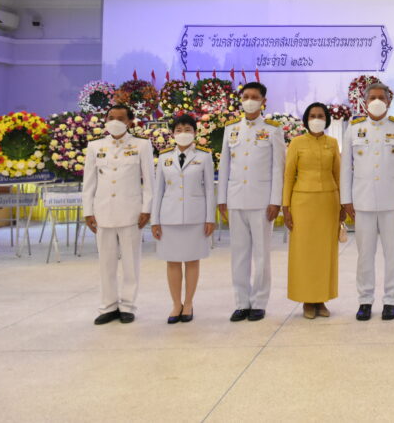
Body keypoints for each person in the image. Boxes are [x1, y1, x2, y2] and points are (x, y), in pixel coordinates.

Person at [341, 83, 394, 321]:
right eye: (372, 97)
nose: (376, 101)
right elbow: (346, 168)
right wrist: (346, 199)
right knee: (365, 255)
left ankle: (391, 300)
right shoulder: (354, 128)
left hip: (392, 202)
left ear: (388, 102)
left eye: (381, 97)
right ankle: (365, 300)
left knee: (392, 254)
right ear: (364, 102)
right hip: (362, 202)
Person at [217, 81, 285, 323]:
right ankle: (241, 302)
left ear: (263, 101)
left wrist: (275, 201)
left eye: (254, 97)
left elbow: (278, 168)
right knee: (239, 254)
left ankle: (259, 303)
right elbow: (224, 165)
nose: (249, 101)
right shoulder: (231, 129)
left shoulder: (273, 130)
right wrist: (222, 198)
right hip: (236, 199)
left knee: (261, 254)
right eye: (245, 96)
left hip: (262, 201)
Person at [82, 104, 153, 325]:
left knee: (131, 262)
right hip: (103, 211)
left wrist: (146, 208)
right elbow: (89, 182)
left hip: (131, 212)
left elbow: (149, 181)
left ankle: (128, 306)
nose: (114, 121)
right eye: (110, 117)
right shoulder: (95, 146)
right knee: (106, 263)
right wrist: (88, 211)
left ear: (130, 121)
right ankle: (108, 306)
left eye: (120, 118)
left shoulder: (141, 145)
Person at [151, 114, 216, 324]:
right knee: (172, 261)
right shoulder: (164, 157)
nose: (183, 133)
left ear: (195, 132)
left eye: (188, 129)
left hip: (195, 216)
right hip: (168, 217)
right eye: (179, 130)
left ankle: (188, 303)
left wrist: (210, 218)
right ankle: (175, 304)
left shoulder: (204, 156)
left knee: (192, 260)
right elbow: (158, 190)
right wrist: (154, 220)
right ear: (172, 133)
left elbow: (209, 189)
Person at [283, 102, 343, 319]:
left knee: (325, 252)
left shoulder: (332, 143)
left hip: (328, 202)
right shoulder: (297, 143)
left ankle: (321, 299)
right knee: (304, 252)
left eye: (320, 116)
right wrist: (286, 207)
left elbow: (338, 174)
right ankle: (307, 300)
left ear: (326, 120)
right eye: (312, 116)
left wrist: (343, 204)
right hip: (302, 203)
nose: (316, 119)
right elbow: (289, 175)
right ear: (306, 120)